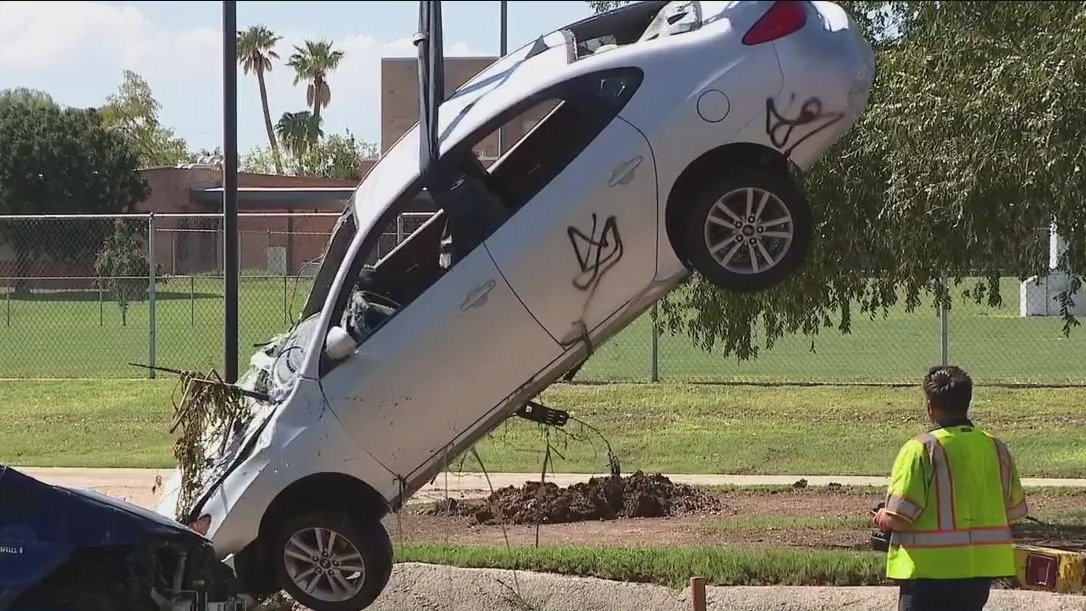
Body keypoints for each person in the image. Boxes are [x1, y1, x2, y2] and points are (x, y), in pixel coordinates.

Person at [872, 365, 1029, 611]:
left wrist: (883, 516)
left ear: (930, 405)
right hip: (979, 573)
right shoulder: (996, 448)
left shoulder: (921, 449)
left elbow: (899, 518)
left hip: (928, 574)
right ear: (967, 401)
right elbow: (1015, 512)